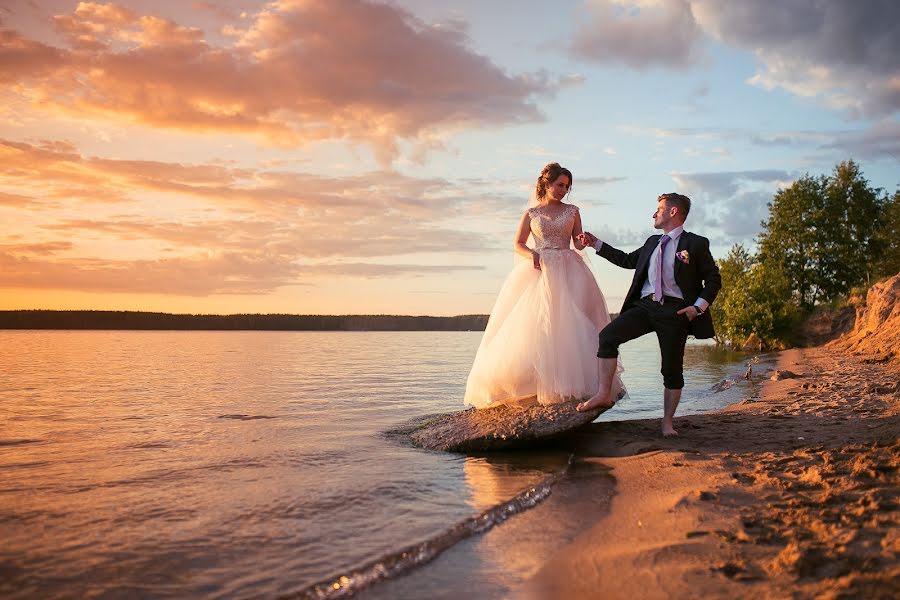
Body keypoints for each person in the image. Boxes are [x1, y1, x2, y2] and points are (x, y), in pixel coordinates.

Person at [463, 162, 624, 408]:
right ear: (546, 184)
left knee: (570, 324)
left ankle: (574, 385)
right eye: (559, 185)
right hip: (539, 269)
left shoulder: (573, 211)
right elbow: (518, 243)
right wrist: (532, 254)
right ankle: (533, 386)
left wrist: (583, 240)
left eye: (567, 187)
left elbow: (577, 244)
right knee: (534, 327)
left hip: (569, 269)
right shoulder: (532, 213)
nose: (563, 190)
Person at [575, 193, 721, 437]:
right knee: (608, 336)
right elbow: (627, 260)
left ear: (673, 212)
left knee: (671, 369)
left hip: (676, 312)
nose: (654, 214)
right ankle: (602, 394)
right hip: (644, 308)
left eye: (659, 209)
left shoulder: (695, 244)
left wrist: (698, 307)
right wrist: (595, 243)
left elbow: (714, 279)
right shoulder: (652, 242)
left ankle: (667, 423)